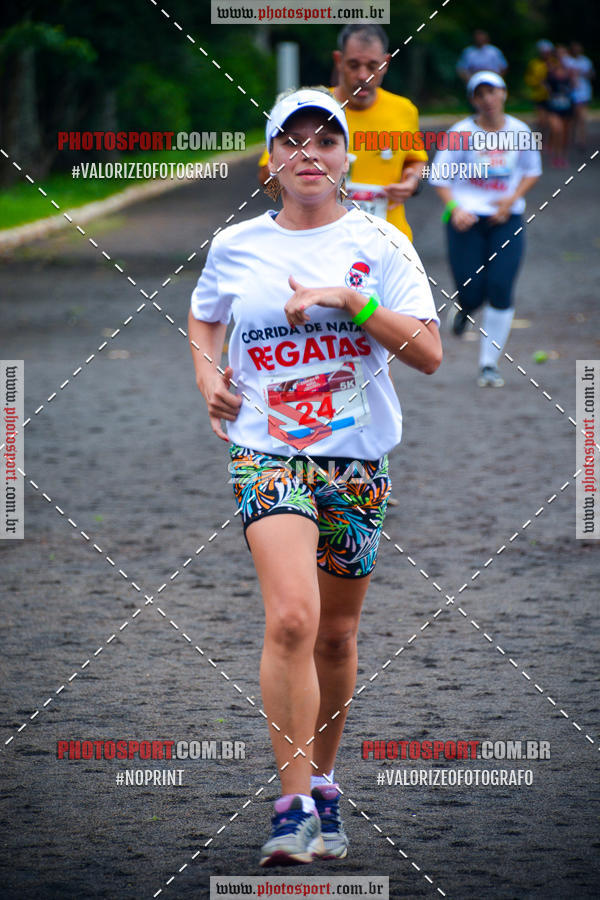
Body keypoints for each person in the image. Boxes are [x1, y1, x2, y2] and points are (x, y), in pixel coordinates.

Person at [190, 88, 441, 867]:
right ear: (270, 163)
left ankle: (326, 787)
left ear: (346, 158)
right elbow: (204, 316)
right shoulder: (235, 246)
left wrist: (347, 297)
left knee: (335, 634)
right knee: (293, 619)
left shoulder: (383, 244)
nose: (308, 155)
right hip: (266, 449)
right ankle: (292, 807)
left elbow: (429, 352)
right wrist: (208, 378)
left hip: (357, 459)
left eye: (324, 142)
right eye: (290, 142)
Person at [258, 24, 428, 242]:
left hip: (387, 241)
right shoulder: (309, 106)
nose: (363, 75)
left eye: (372, 66)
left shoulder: (404, 111)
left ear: (385, 64)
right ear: (338, 61)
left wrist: (412, 182)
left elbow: (416, 161)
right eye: (353, 65)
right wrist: (301, 191)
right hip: (320, 239)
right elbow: (266, 178)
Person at [429, 71, 541, 388]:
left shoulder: (520, 131)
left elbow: (532, 172)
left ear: (504, 93)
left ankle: (488, 364)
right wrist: (455, 209)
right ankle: (465, 308)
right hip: (466, 220)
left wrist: (512, 200)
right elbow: (439, 178)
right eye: (480, 94)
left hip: (507, 219)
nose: (488, 99)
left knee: (501, 288)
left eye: (492, 92)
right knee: (472, 291)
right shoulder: (460, 133)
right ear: (473, 100)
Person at [544, 46, 575, 167]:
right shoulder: (550, 70)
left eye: (564, 54)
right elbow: (545, 84)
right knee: (557, 130)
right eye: (559, 54)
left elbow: (574, 86)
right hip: (554, 106)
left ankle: (562, 155)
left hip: (567, 106)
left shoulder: (570, 72)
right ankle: (556, 155)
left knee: (565, 134)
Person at [568, 42, 595, 149]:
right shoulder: (567, 60)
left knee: (581, 117)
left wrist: (584, 73)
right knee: (573, 118)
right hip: (570, 93)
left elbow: (591, 74)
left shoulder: (585, 61)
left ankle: (581, 139)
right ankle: (573, 137)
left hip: (583, 93)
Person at [524, 40, 554, 136]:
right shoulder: (534, 64)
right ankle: (540, 139)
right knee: (541, 120)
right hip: (539, 95)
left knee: (551, 120)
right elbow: (528, 78)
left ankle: (549, 139)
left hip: (552, 96)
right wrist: (538, 82)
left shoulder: (554, 63)